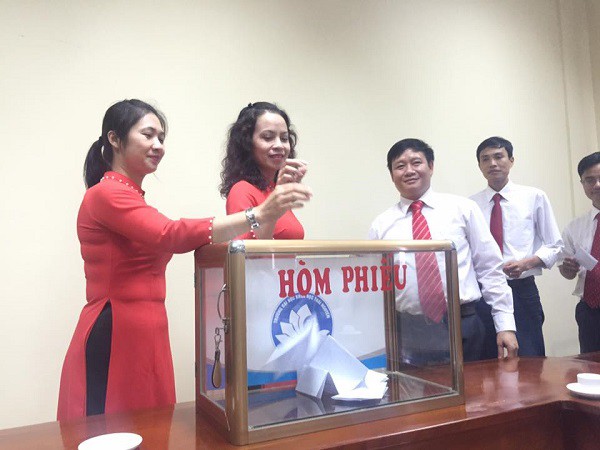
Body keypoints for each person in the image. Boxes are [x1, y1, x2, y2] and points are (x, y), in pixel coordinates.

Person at [57, 99, 312, 421]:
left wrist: (261, 214)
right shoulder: (105, 193)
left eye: (161, 137)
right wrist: (257, 214)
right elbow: (169, 234)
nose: (158, 145)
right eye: (148, 135)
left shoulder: (131, 197)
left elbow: (174, 235)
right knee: (109, 427)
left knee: (149, 423)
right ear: (115, 139)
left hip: (148, 324)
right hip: (116, 325)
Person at [368, 138, 518, 362]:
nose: (409, 171)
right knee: (415, 385)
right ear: (392, 175)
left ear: (431, 166)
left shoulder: (463, 209)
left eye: (416, 162)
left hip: (463, 324)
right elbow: (374, 286)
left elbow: (489, 268)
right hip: (408, 331)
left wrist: (505, 325)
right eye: (400, 166)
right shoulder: (381, 225)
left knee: (474, 385)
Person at [470, 137, 563, 358]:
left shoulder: (533, 197)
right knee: (486, 361)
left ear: (511, 160)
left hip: (521, 290)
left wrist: (527, 263)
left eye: (498, 156)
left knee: (530, 358)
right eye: (485, 159)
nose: (492, 163)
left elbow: (555, 245)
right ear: (479, 166)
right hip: (483, 294)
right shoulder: (470, 205)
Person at [220, 102, 308, 239]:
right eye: (268, 137)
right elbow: (247, 249)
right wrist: (275, 207)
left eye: (284, 138)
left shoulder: (275, 189)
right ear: (247, 143)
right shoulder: (241, 190)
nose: (279, 145)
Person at [560, 152, 600, 353]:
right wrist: (567, 269)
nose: (597, 185)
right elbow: (566, 273)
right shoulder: (574, 227)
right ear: (583, 184)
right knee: (590, 366)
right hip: (589, 311)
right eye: (590, 180)